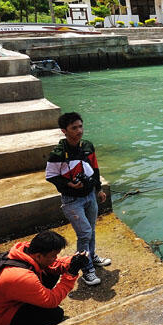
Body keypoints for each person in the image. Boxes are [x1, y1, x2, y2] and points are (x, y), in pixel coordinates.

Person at [0, 230, 90, 325]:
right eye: (53, 255)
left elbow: (53, 264)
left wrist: (72, 261)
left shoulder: (26, 250)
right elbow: (51, 300)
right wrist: (71, 274)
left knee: (50, 273)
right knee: (54, 315)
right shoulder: (22, 276)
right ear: (38, 256)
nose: (55, 258)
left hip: (5, 300)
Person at [46, 112, 110, 286]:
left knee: (91, 230)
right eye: (74, 128)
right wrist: (69, 185)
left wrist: (99, 188)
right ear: (64, 131)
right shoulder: (58, 153)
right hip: (72, 200)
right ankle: (86, 269)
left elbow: (95, 168)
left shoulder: (87, 146)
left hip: (90, 195)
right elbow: (51, 176)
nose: (79, 131)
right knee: (85, 233)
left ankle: (91, 255)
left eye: (80, 126)